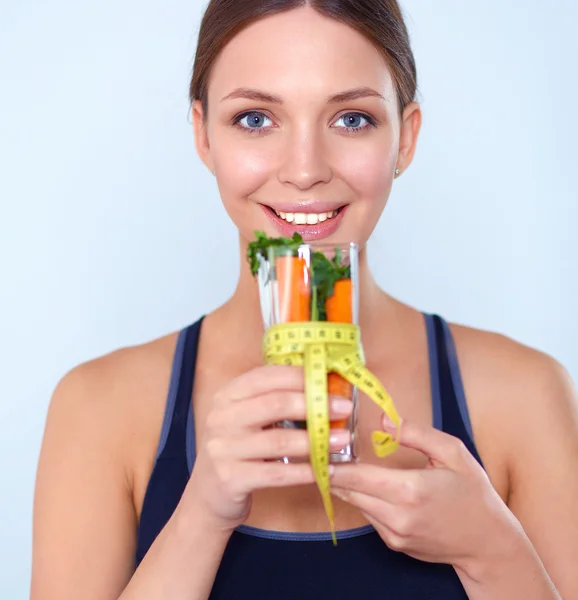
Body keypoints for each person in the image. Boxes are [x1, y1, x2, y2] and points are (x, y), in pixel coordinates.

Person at [31, 1, 578, 599]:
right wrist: (201, 514)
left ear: (406, 137)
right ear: (202, 135)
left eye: (351, 120)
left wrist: (495, 553)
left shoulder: (526, 396)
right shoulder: (98, 409)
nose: (305, 169)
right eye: (255, 119)